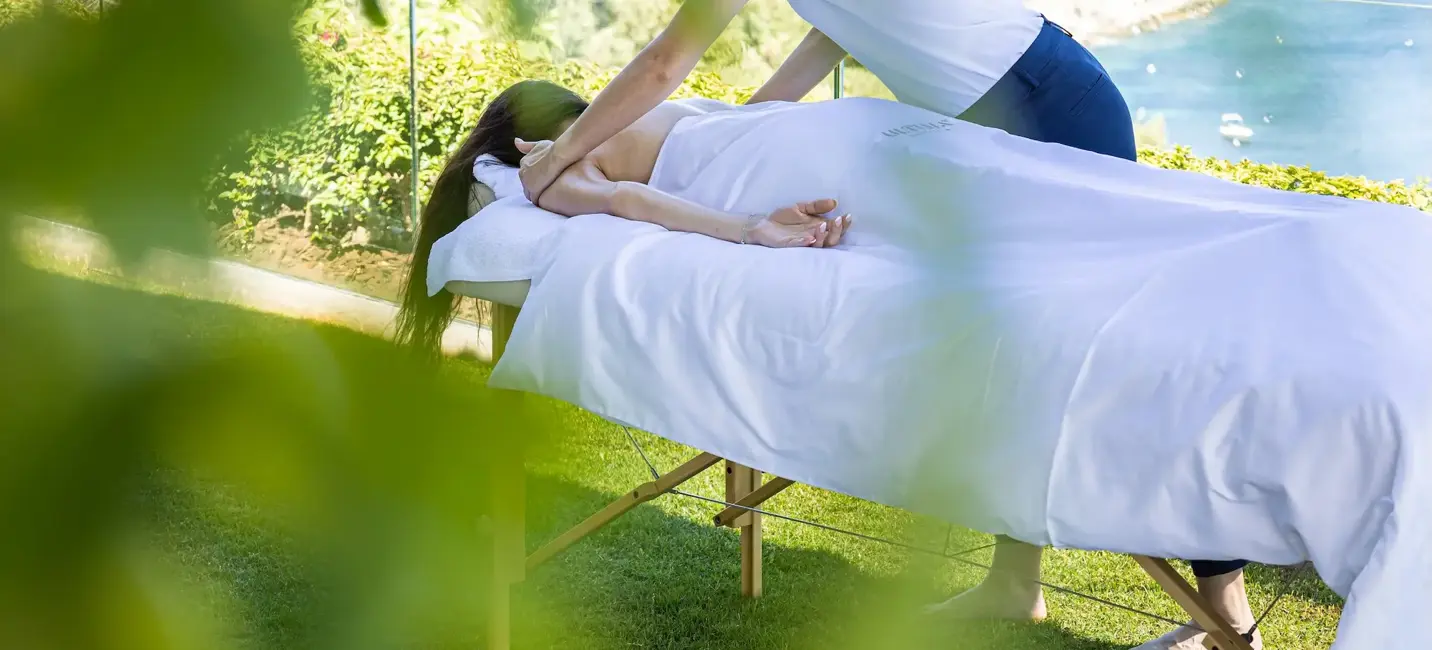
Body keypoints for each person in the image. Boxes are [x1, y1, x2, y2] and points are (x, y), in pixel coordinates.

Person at [401, 76, 1260, 650]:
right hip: (827, 138)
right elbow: (639, 188)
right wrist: (749, 225)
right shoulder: (604, 142)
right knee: (1036, 235)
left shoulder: (559, 159)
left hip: (812, 149)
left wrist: (750, 224)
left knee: (1025, 236)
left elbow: (635, 193)